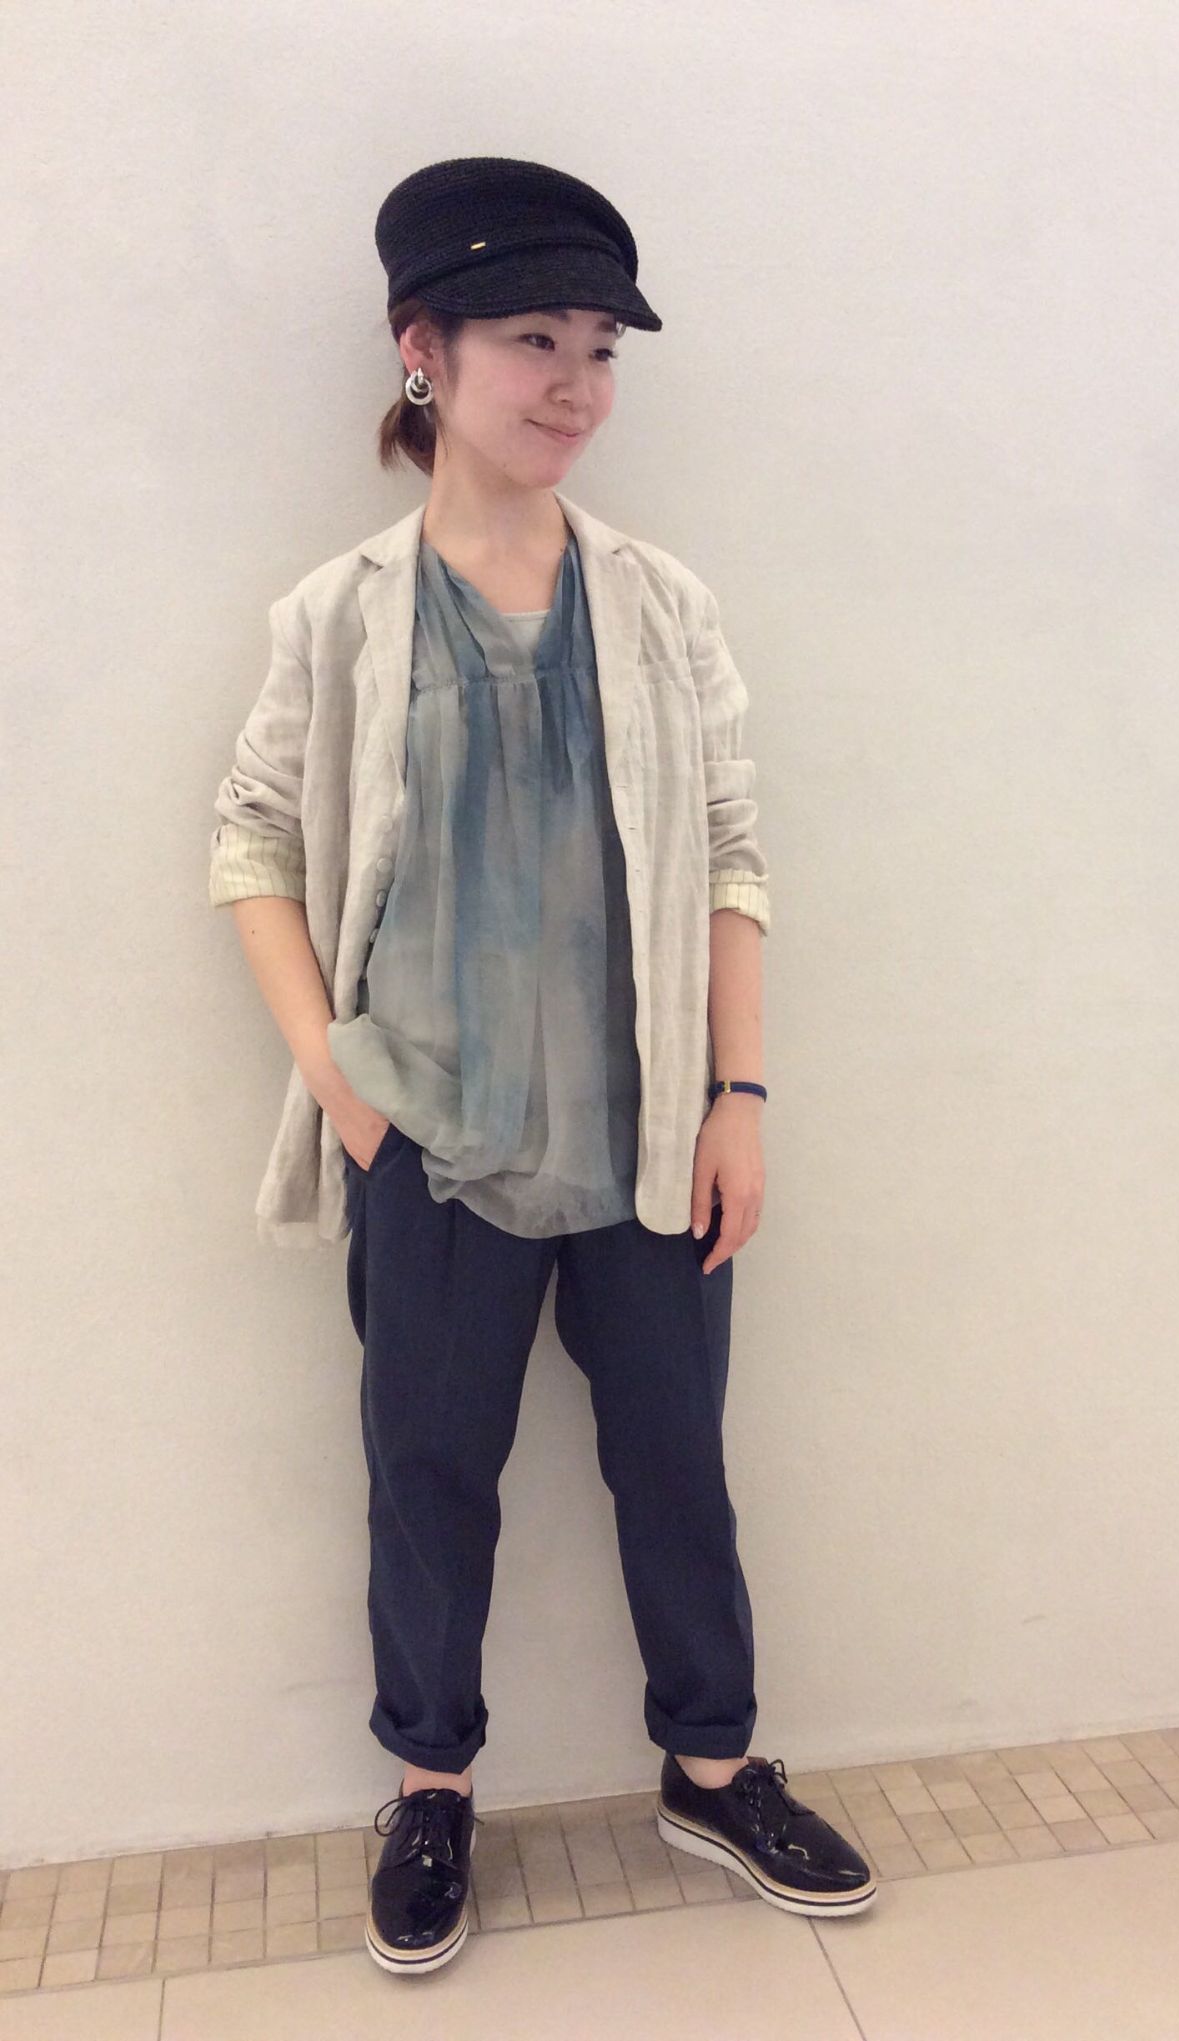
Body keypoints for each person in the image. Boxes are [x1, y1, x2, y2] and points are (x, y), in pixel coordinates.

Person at [209, 154, 874, 1977]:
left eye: (599, 347)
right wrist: (338, 1078)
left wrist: (739, 1098)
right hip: (426, 1134)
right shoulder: (340, 616)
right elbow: (252, 835)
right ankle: (431, 1786)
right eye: (534, 340)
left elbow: (732, 849)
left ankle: (713, 1767)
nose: (575, 383)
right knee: (428, 1472)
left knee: (678, 1464)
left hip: (647, 1132)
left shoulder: (661, 603)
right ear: (423, 351)